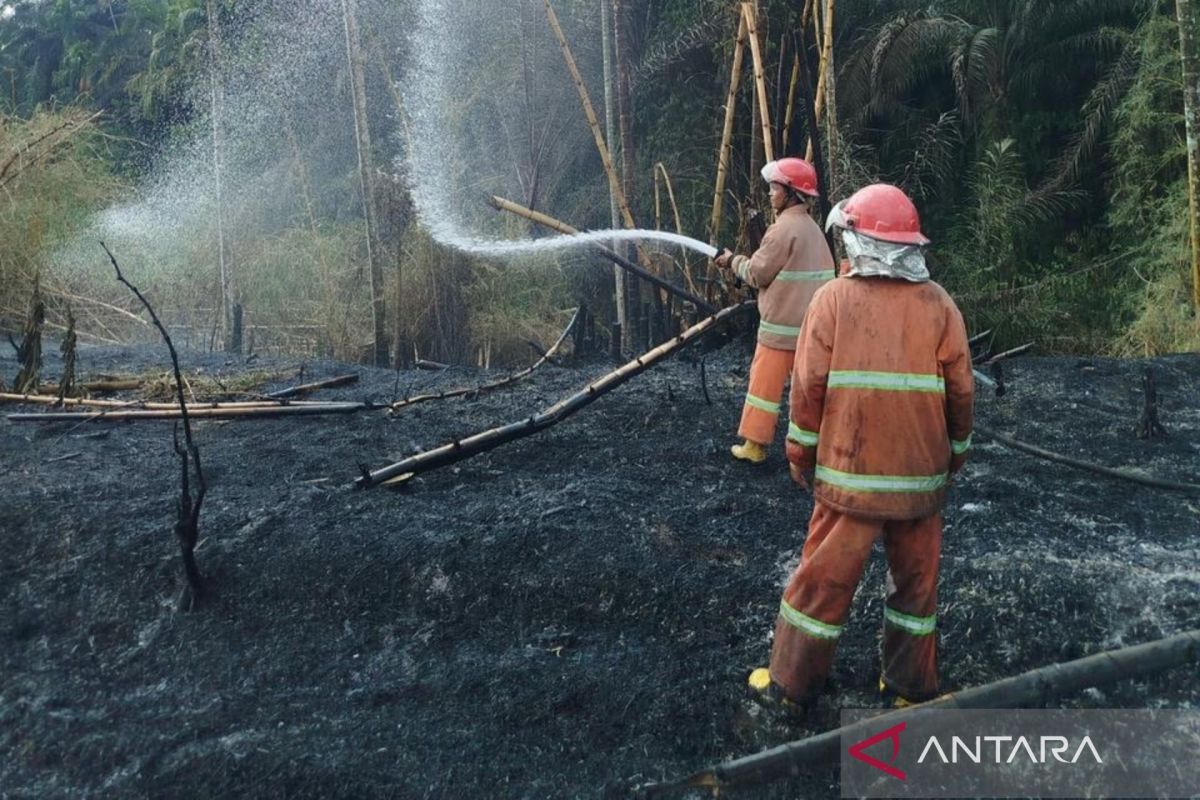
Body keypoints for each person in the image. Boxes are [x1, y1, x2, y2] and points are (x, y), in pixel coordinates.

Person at [748, 183, 975, 710]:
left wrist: (800, 454)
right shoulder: (940, 305)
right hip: (920, 484)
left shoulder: (832, 300)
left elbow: (807, 391)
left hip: (849, 483)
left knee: (822, 584)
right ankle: (909, 689)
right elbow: (961, 394)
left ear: (857, 242)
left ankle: (791, 685)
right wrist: (955, 452)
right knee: (916, 590)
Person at [713, 158, 835, 465]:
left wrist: (732, 261)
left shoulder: (782, 230)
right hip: (810, 331)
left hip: (779, 331)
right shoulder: (812, 230)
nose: (770, 193)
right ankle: (814, 450)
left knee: (762, 390)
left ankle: (754, 446)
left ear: (791, 192)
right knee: (808, 393)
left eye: (774, 187)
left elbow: (757, 273)